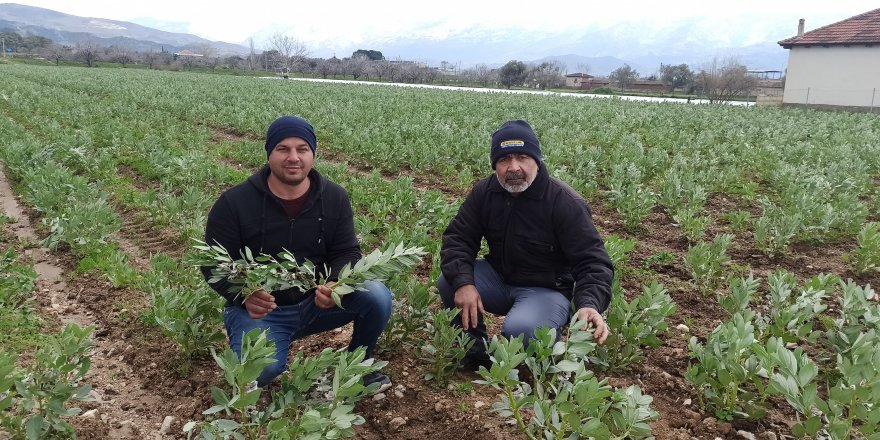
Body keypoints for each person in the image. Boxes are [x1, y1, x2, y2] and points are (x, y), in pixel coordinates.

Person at [202, 115, 392, 390]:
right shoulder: (234, 203)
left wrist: (335, 284)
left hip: (316, 305)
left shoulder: (334, 197)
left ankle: (358, 366)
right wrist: (243, 294)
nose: (293, 157)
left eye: (302, 149)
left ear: (313, 154)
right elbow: (213, 263)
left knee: (376, 295)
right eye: (283, 149)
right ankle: (257, 354)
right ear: (269, 153)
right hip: (262, 311)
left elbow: (347, 251)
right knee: (258, 374)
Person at [439, 119, 614, 371]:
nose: (514, 167)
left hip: (546, 290)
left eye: (522, 157)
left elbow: (593, 262)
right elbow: (458, 238)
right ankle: (475, 352)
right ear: (495, 165)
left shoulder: (564, 202)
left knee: (520, 330)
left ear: (537, 160)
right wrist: (464, 283)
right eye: (504, 159)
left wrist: (589, 303)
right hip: (500, 279)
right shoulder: (485, 192)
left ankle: (544, 365)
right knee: (451, 281)